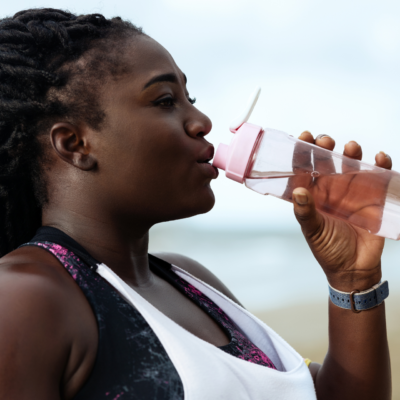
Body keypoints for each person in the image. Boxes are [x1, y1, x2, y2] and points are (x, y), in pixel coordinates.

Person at [0, 8, 391, 400]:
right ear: (75, 144)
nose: (201, 120)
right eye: (166, 100)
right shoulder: (24, 297)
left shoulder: (191, 281)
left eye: (191, 98)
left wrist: (353, 281)